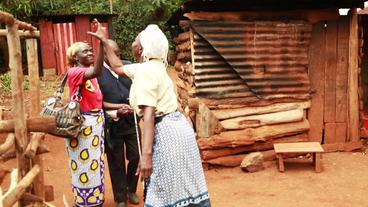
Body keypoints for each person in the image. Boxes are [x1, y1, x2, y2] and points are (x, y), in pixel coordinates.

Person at [89, 21, 211, 207]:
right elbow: (117, 67)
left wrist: (145, 156)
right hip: (178, 130)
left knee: (165, 186)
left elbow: (149, 114)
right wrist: (104, 40)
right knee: (183, 185)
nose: (134, 42)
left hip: (167, 133)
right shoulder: (152, 66)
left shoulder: (146, 71)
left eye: (138, 39)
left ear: (141, 48)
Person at [97, 39, 140, 207]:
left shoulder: (127, 66)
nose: (117, 57)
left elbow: (138, 89)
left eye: (119, 53)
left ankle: (131, 189)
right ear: (105, 54)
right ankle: (120, 197)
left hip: (132, 120)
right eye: (113, 54)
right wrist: (117, 109)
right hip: (112, 124)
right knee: (116, 162)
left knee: (136, 156)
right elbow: (98, 101)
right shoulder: (97, 72)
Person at [65, 33, 106, 206]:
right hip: (83, 127)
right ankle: (84, 202)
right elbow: (98, 69)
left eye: (91, 50)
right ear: (75, 57)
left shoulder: (89, 75)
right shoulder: (75, 72)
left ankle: (94, 199)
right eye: (85, 51)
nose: (90, 53)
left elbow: (98, 102)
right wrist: (102, 44)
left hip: (94, 126)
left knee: (94, 164)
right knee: (83, 165)